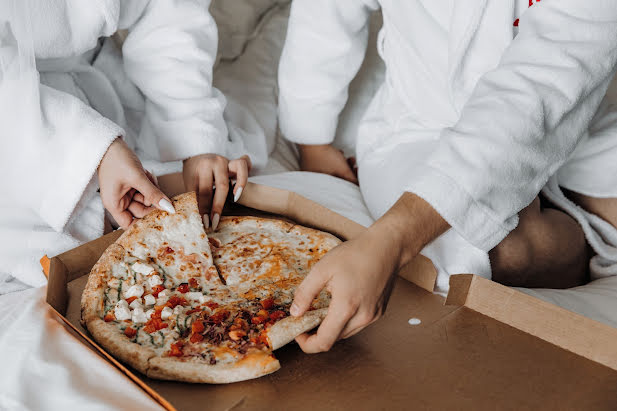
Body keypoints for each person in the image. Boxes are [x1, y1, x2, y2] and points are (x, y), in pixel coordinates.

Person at [278, 0, 617, 353]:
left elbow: (539, 90)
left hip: (576, 113)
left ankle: (567, 222)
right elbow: (325, 11)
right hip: (423, 126)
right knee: (476, 254)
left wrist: (389, 242)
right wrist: (311, 137)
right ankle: (576, 238)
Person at [0, 0, 251, 242]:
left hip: (106, 89)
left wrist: (192, 134)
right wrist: (96, 152)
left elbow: (168, 10)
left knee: (203, 188)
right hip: (17, 131)